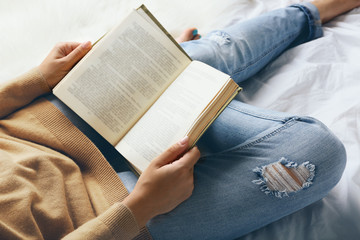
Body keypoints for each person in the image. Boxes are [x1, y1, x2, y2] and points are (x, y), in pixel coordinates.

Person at [0, 0, 359, 239]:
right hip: (104, 214)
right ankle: (185, 77)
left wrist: (38, 79)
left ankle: (305, 12)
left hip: (40, 125)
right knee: (312, 154)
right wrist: (140, 207)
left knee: (174, 67)